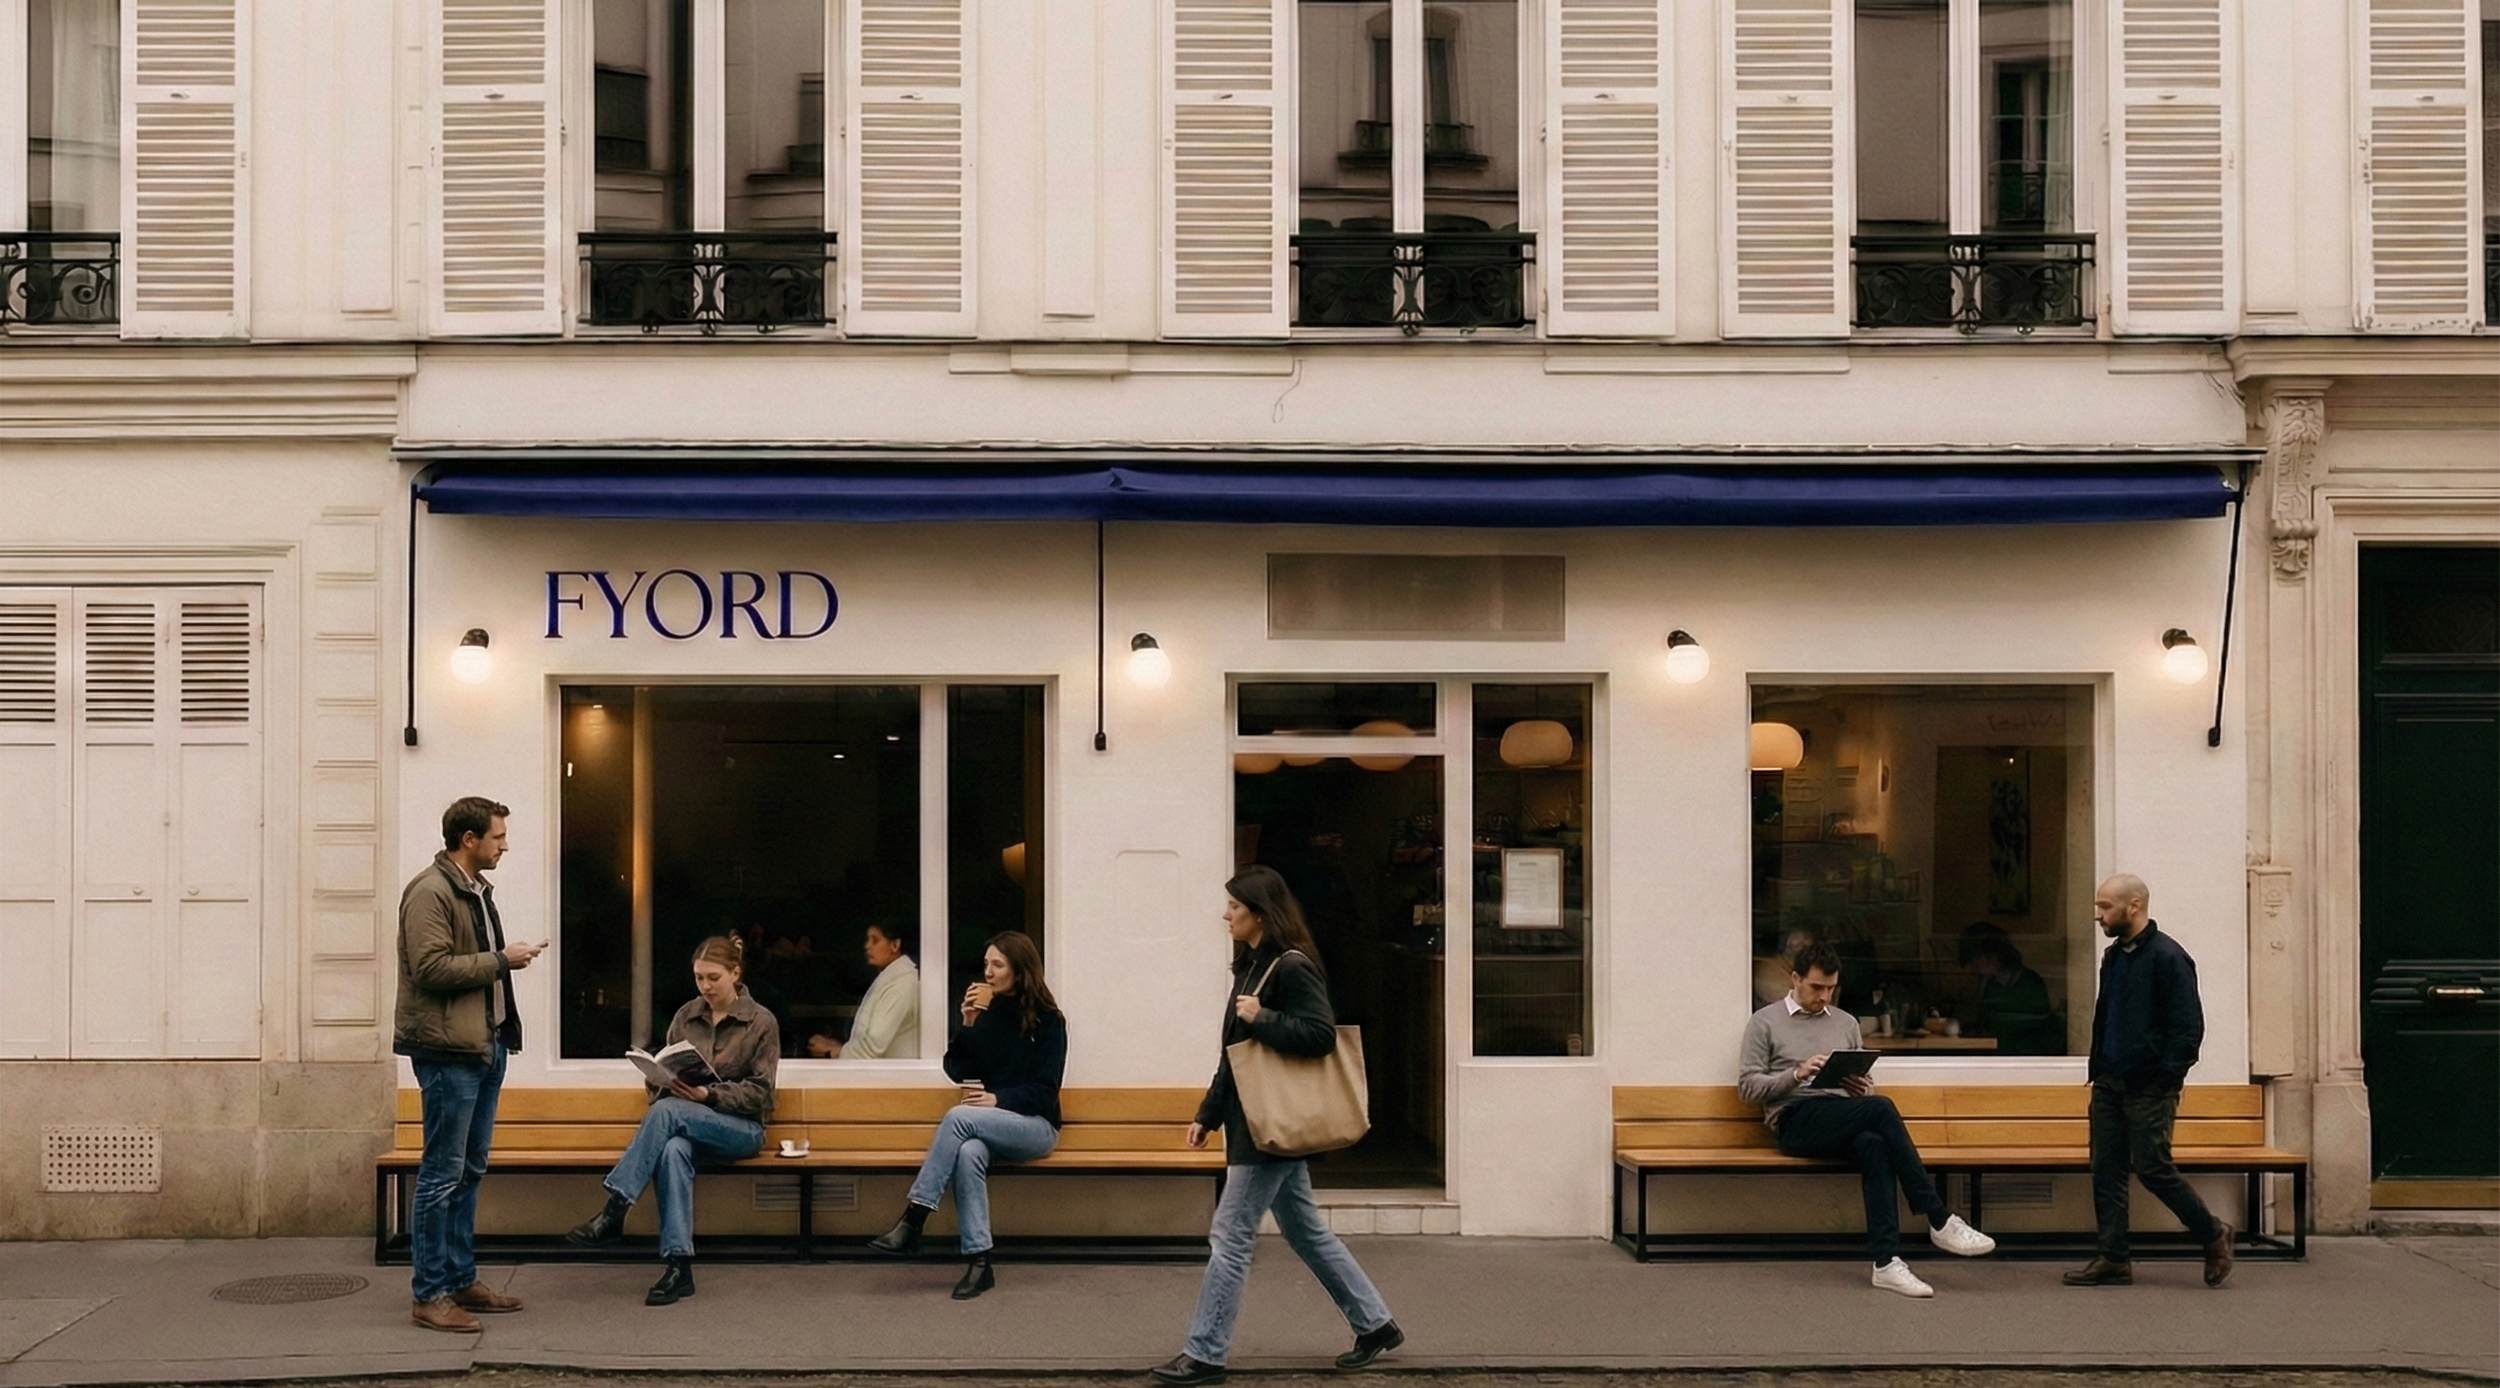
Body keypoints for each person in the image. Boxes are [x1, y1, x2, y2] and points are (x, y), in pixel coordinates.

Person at [1152, 866, 1401, 1387]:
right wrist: (1207, 1114)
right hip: (1257, 1123)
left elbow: (1319, 1035)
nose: (1226, 915)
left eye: (1234, 908)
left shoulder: (1290, 968)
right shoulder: (1251, 968)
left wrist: (1262, 1017)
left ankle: (1204, 1354)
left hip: (1270, 1129)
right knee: (1305, 1231)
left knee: (1230, 1236)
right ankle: (1374, 1323)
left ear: (1260, 913)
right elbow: (1234, 1056)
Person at [1738, 941, 1997, 1297]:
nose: (1824, 996)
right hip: (1795, 1119)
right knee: (1881, 1109)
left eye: (1831, 988)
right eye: (1816, 987)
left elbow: (1868, 1088)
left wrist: (1861, 1088)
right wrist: (1796, 1075)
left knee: (1873, 1143)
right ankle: (1937, 1216)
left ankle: (1886, 1262)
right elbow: (1748, 1088)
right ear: (1795, 979)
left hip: (1843, 1114)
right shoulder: (1764, 1022)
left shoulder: (1845, 1023)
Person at [563, 935, 781, 1305]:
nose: (705, 987)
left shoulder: (760, 1022)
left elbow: (762, 1094)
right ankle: (679, 1266)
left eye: (713, 978)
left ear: (735, 973)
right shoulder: (686, 1016)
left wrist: (709, 1095)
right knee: (673, 1151)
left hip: (740, 1129)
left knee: (666, 1113)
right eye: (699, 978)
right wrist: (662, 1078)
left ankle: (615, 1210)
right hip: (686, 1125)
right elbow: (660, 1084)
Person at [395, 796, 541, 1333]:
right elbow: (430, 967)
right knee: (441, 1175)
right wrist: (505, 960)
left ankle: (459, 1279)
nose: (505, 845)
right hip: (448, 1054)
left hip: (483, 1047)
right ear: (469, 839)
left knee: (469, 1170)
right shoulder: (430, 892)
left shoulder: (474, 891)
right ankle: (429, 1294)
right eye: (498, 837)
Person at [865, 930, 1065, 1299]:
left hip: (1037, 1127)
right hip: (995, 1129)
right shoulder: (987, 1015)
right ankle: (980, 1262)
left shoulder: (1050, 1021)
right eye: (986, 963)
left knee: (960, 1116)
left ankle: (914, 1219)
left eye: (998, 965)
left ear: (1019, 971)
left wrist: (998, 1100)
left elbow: (1045, 1090)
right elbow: (956, 1070)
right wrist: (970, 1023)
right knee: (969, 1151)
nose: (988, 972)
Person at [2066, 874, 2233, 1289]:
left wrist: (2164, 1078)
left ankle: (2213, 1234)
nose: (2098, 915)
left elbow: (2187, 1029)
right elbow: (2109, 1017)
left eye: (2105, 907)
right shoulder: (2114, 957)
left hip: (2149, 1087)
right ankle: (2113, 1257)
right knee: (2106, 1169)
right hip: (2109, 1082)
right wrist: (2100, 1067)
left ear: (2134, 905)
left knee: (2153, 1168)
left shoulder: (2168, 958)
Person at [809, 921, 920, 1059]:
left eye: (875, 940)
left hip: (893, 1078)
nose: (867, 946)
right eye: (867, 940)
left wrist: (835, 1050)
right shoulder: (894, 980)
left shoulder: (903, 984)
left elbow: (873, 1046)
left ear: (895, 945)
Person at [1959, 922, 2062, 1055]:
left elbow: (2036, 1027)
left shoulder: (2029, 983)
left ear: (1993, 955)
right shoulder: (1988, 982)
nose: (1974, 966)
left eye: (1977, 958)